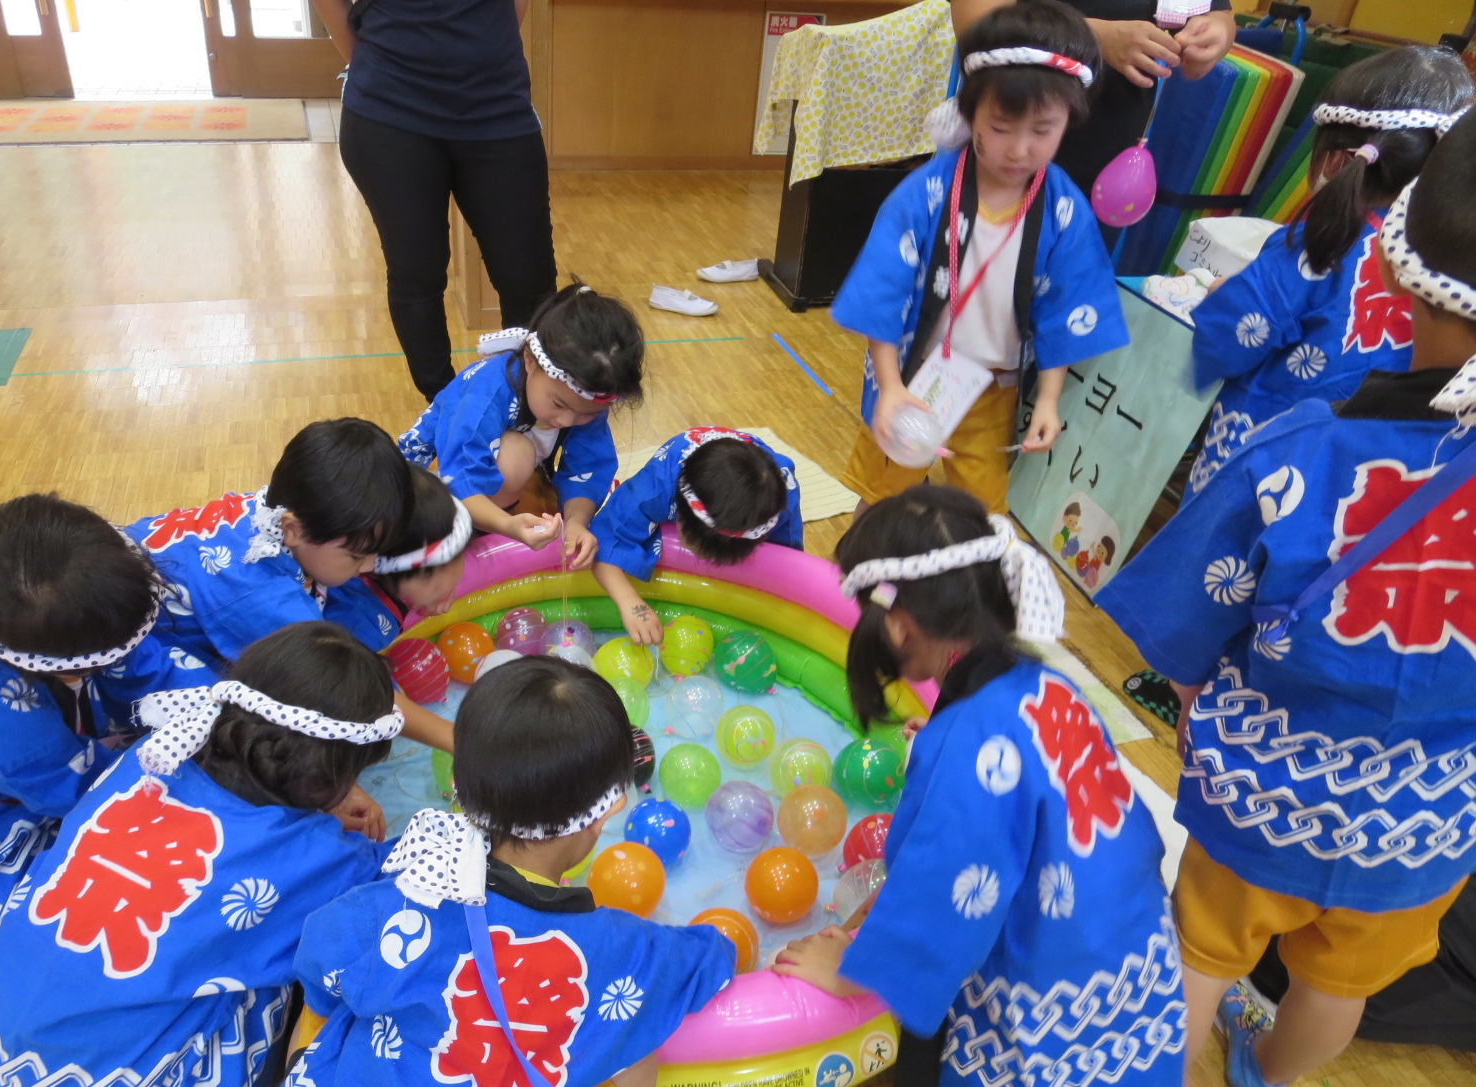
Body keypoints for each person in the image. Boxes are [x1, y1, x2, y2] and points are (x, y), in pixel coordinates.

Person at [1097, 109, 1476, 1087]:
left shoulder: (1302, 447)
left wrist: (1189, 693)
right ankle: (1263, 1073)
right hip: (1430, 815)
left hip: (1267, 784)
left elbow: (1187, 617)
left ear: (1393, 272)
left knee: (1203, 950)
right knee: (1336, 983)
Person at [774, 486, 1187, 1087]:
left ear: (901, 625)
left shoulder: (970, 740)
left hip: (1054, 966)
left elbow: (946, 897)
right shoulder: (1042, 682)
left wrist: (849, 970)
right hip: (1129, 939)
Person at [243, 656, 734, 1087]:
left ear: (459, 784)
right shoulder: (623, 952)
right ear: (607, 811)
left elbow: (319, 960)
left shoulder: (397, 898)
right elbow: (708, 958)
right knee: (638, 1060)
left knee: (331, 1020)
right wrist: (729, 942)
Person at [0, 622, 403, 1087]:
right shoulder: (323, 859)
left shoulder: (149, 759)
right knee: (288, 978)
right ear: (334, 775)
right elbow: (386, 899)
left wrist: (319, 800)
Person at [0, 496, 211, 965]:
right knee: (121, 908)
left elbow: (137, 657)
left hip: (14, 764)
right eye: (98, 660)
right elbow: (76, 793)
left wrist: (215, 702)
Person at [833, 0, 1129, 515]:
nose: (1019, 149)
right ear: (970, 113)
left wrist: (1049, 399)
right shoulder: (926, 193)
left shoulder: (1062, 210)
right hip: (915, 373)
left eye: (1043, 130)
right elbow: (883, 291)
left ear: (1069, 121)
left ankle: (943, 592)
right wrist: (890, 386)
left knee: (979, 512)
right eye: (1000, 127)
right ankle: (856, 584)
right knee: (881, 500)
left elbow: (1066, 309)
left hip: (993, 390)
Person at [1186, 46, 1474, 493]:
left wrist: (1218, 299)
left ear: (1337, 158)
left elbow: (1225, 339)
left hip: (1260, 461)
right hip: (1372, 481)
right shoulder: (1448, 267)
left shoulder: (1317, 243)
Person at [127, 418, 453, 752]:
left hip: (140, 571)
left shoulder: (277, 509)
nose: (371, 567)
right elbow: (344, 682)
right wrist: (457, 740)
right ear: (294, 529)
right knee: (236, 728)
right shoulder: (259, 593)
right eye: (357, 556)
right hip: (133, 653)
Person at [314, 0, 556, 403]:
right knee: (417, 274)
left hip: (498, 105)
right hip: (387, 110)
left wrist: (479, 48)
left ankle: (524, 411)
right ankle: (446, 411)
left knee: (530, 282)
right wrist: (373, 60)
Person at [398, 283, 641, 567]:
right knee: (516, 453)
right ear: (529, 360)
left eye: (586, 414)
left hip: (502, 469)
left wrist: (577, 522)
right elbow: (460, 474)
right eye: (559, 404)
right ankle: (479, 530)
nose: (567, 421)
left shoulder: (583, 397)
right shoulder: (486, 394)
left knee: (525, 457)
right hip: (430, 479)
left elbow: (589, 467)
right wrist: (506, 526)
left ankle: (497, 512)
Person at [952, 1, 1238, 197]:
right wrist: (1097, 37)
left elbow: (1218, 14)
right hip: (1008, 146)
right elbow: (976, 22)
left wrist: (1216, 32)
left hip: (1110, 155)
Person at [590, 427, 803, 643]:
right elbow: (604, 536)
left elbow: (785, 562)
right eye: (693, 544)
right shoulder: (659, 485)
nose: (701, 558)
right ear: (679, 512)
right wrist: (631, 603)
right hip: (687, 463)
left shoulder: (779, 502)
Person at [325, 463, 474, 648]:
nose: (448, 580)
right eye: (427, 576)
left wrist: (435, 594)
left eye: (456, 554)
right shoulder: (357, 626)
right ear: (372, 567)